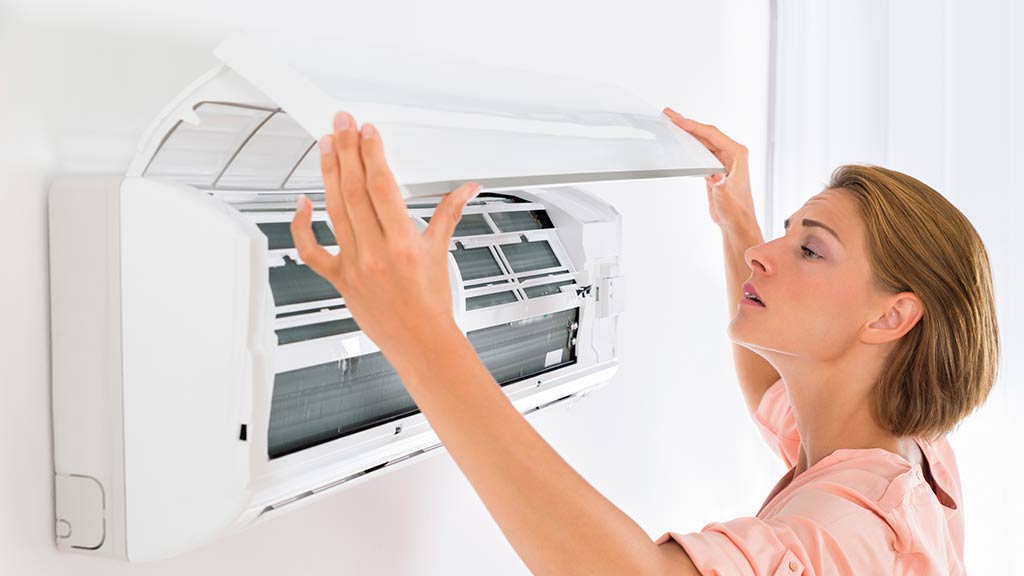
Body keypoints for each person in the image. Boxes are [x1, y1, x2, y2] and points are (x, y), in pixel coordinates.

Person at [289, 108, 998, 575]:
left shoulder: (862, 533)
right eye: (785, 231)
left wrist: (421, 335)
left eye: (810, 250)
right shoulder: (905, 454)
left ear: (889, 318)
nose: (766, 254)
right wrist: (737, 222)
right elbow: (772, 392)